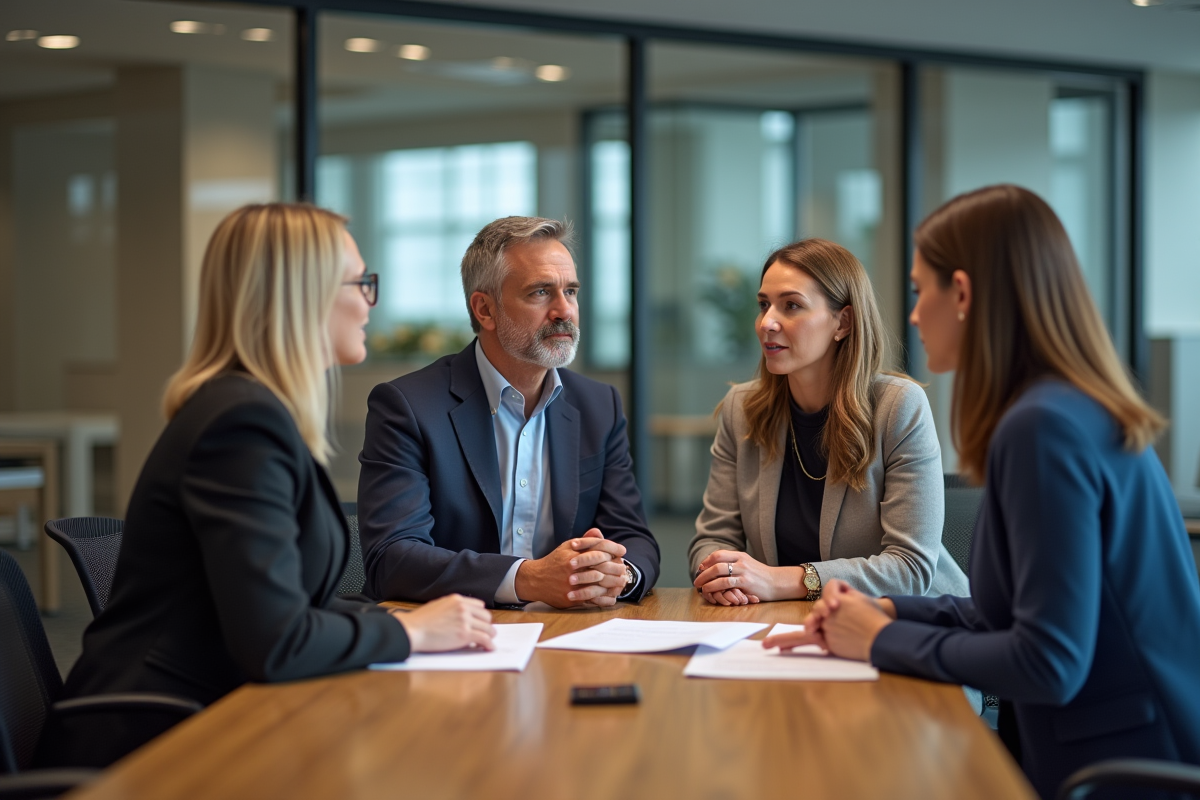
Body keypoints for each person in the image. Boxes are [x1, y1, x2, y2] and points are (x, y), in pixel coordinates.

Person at [765, 185, 1200, 799]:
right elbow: (1017, 615)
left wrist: (883, 641)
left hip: (1120, 772)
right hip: (1130, 747)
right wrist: (888, 611)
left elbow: (1048, 661)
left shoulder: (1041, 429)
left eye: (920, 292)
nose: (912, 315)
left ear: (963, 294)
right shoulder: (1073, 408)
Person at [51, 204, 494, 767]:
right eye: (360, 282)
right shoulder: (240, 425)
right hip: (151, 743)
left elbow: (289, 603)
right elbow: (277, 641)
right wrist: (412, 636)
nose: (368, 301)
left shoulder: (255, 413)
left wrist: (395, 620)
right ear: (302, 294)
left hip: (216, 711)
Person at [358, 216, 660, 609]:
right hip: (451, 635)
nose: (564, 310)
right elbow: (393, 558)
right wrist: (526, 579)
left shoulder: (599, 405)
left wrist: (618, 574)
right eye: (540, 292)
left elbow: (634, 537)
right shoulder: (408, 406)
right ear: (485, 310)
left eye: (571, 291)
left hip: (569, 631)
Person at [689, 238, 967, 606]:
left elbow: (910, 569)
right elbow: (711, 539)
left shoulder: (899, 407)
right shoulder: (742, 408)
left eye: (791, 306)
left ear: (843, 321)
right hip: (789, 625)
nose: (767, 322)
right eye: (763, 305)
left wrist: (782, 580)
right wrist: (722, 575)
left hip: (915, 626)